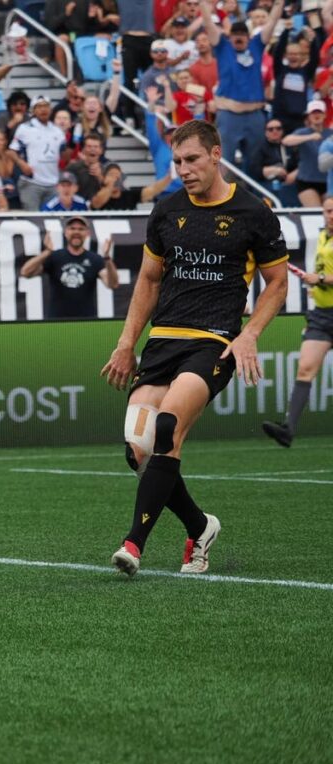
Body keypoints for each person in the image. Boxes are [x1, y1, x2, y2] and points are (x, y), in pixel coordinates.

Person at [100, 120, 289, 578]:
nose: (184, 169)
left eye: (192, 160)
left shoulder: (253, 212)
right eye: (177, 162)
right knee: (139, 448)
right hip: (163, 342)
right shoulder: (166, 211)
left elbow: (278, 284)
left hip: (214, 343)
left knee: (166, 427)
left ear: (216, 154)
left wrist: (249, 334)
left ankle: (133, 545)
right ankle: (200, 526)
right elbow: (147, 280)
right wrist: (127, 344)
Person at [262, 196, 333, 448]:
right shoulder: (324, 237)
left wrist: (321, 279)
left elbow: (324, 276)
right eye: (327, 210)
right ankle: (288, 429)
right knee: (305, 369)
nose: (330, 215)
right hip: (322, 317)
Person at [201, 0, 281, 173]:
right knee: (223, 163)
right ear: (230, 36)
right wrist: (202, 4)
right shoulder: (223, 47)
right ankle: (221, 199)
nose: (238, 37)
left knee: (254, 163)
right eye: (235, 34)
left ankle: (252, 197)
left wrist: (279, 4)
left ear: (248, 36)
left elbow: (272, 22)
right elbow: (208, 24)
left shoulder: (256, 46)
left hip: (255, 116)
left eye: (242, 34)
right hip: (229, 116)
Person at [21, 216, 118, 318]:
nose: (76, 232)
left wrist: (107, 258)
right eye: (72, 228)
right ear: (66, 232)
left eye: (81, 229)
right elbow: (25, 272)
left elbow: (113, 284)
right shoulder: (55, 257)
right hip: (56, 319)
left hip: (86, 320)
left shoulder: (95, 259)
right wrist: (47, 252)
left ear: (87, 233)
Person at [9, 94, 66, 211]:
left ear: (50, 109)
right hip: (31, 183)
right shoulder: (24, 128)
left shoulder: (57, 131)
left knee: (53, 219)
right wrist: (22, 164)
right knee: (33, 219)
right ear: (33, 110)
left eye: (46, 106)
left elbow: (64, 155)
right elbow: (11, 151)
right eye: (39, 107)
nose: (43, 109)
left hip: (53, 183)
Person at [284, 100, 333, 207]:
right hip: (307, 182)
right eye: (313, 113)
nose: (316, 115)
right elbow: (286, 141)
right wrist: (310, 137)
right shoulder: (302, 132)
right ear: (309, 116)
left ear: (324, 115)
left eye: (319, 112)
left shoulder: (330, 133)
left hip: (328, 182)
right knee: (315, 212)